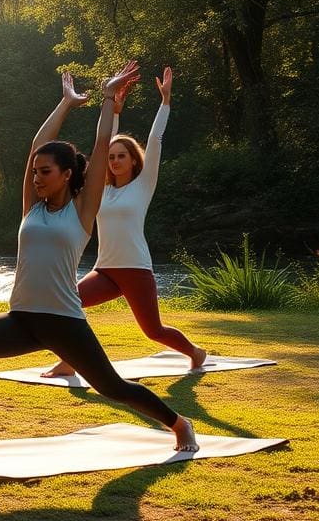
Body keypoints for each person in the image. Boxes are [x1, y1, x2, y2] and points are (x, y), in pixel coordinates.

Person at [0, 64, 198, 466]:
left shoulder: (83, 211)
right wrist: (67, 103)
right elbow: (39, 142)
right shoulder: (31, 209)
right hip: (23, 319)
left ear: (67, 175)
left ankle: (178, 424)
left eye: (45, 172)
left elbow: (103, 142)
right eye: (35, 171)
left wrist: (107, 98)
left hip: (63, 321)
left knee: (113, 387)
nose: (36, 177)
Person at [43, 66, 206, 378]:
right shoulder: (101, 189)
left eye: (121, 156)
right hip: (105, 269)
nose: (114, 160)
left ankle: (195, 352)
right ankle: (70, 359)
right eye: (112, 156)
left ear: (133, 159)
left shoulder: (143, 185)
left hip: (135, 269)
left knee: (154, 331)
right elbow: (102, 142)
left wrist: (166, 102)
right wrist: (114, 111)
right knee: (67, 304)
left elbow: (156, 138)